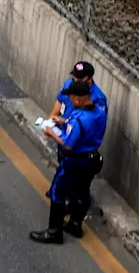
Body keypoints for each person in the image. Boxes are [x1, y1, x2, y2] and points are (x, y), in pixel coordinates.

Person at [30, 80, 106, 244]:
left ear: (77, 100)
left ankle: (54, 231)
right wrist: (63, 121)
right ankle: (75, 224)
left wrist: (51, 133)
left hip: (76, 161)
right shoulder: (99, 111)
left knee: (58, 190)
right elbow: (87, 128)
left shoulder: (79, 119)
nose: (69, 101)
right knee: (82, 190)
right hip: (92, 159)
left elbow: (68, 144)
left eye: (71, 98)